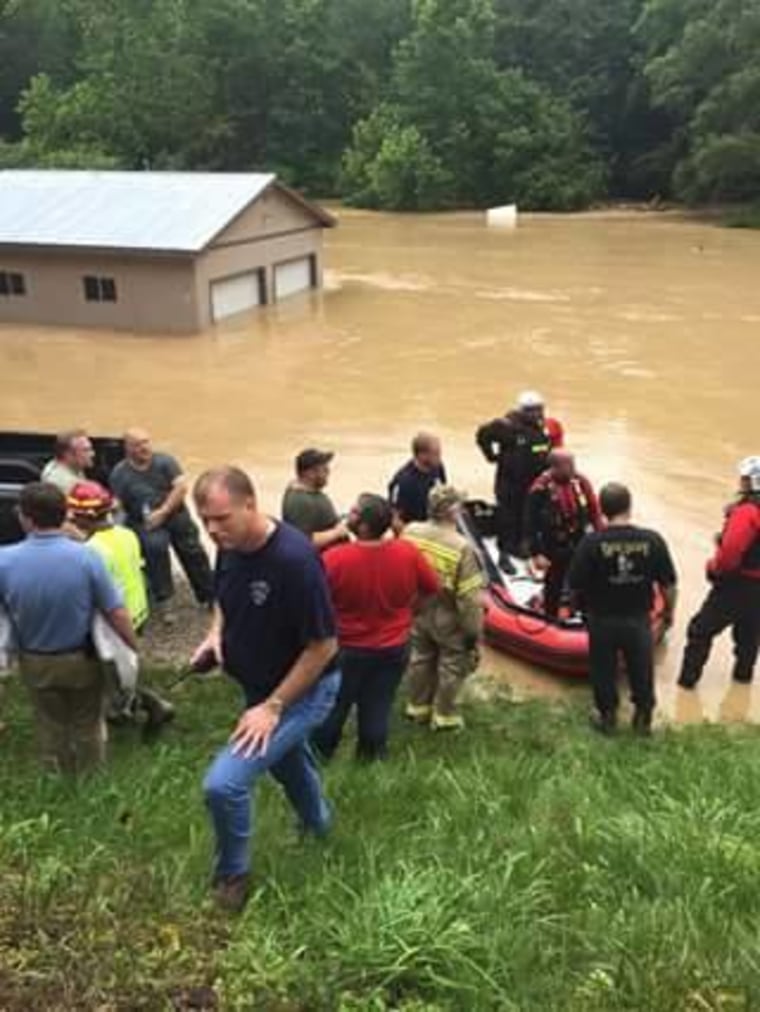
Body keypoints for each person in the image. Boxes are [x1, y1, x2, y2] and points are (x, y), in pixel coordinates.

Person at [191, 466, 341, 912]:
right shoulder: (229, 546)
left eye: (222, 518)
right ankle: (320, 826)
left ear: (251, 504)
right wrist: (216, 636)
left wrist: (273, 707)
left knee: (224, 784)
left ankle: (232, 874)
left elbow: (323, 645)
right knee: (287, 763)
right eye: (205, 522)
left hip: (302, 692)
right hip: (258, 686)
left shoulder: (295, 561)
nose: (213, 530)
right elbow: (224, 598)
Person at [0, 482, 139, 772]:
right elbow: (115, 611)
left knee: (50, 722)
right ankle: (91, 777)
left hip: (35, 660)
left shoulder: (5, 560)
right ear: (64, 515)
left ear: (25, 517)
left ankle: (56, 774)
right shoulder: (87, 557)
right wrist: (131, 646)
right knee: (88, 721)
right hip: (81, 659)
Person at [312, 494, 439, 761]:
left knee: (333, 707)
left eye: (354, 512)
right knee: (377, 707)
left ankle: (319, 758)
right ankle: (371, 761)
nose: (349, 514)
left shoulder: (333, 559)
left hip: (345, 649)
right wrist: (410, 613)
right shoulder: (408, 552)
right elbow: (431, 590)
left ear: (365, 527)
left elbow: (314, 604)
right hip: (393, 648)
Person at [568, 483, 677, 736]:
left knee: (603, 669)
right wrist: (669, 612)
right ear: (629, 506)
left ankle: (607, 719)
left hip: (602, 619)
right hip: (638, 619)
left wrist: (577, 611)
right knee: (642, 669)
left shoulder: (591, 543)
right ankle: (643, 720)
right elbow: (669, 584)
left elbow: (575, 585)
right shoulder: (652, 540)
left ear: (603, 510)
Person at [67, 481, 174, 729]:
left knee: (113, 669)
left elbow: (93, 594)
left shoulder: (91, 550)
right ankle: (132, 705)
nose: (72, 521)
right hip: (137, 612)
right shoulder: (127, 535)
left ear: (85, 517)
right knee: (125, 665)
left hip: (113, 619)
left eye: (75, 516)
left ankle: (140, 706)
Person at [403, 486, 485, 730]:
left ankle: (417, 707)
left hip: (417, 608)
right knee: (452, 664)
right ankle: (445, 716)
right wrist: (473, 634)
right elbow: (469, 598)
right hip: (447, 613)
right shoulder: (462, 547)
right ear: (452, 511)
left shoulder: (410, 532)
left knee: (420, 657)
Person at [110, 429, 213, 619]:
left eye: (146, 442)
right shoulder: (119, 473)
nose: (144, 448)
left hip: (175, 515)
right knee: (155, 551)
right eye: (138, 444)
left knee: (193, 552)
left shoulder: (165, 461)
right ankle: (165, 601)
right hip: (146, 522)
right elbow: (119, 504)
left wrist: (164, 511)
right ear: (127, 448)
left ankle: (209, 595)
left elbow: (181, 486)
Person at [678, 457, 760, 689]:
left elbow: (730, 554)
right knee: (749, 636)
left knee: (700, 630)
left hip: (737, 585)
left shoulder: (747, 512)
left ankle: (686, 685)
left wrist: (713, 567)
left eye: (744, 478)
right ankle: (742, 682)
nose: (741, 482)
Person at [476, 391, 564, 566]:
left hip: (535, 484)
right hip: (510, 485)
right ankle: (505, 554)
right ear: (522, 411)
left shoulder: (547, 428)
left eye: (540, 409)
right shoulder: (505, 426)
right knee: (508, 520)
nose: (537, 414)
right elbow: (482, 435)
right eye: (532, 410)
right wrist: (491, 456)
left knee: (534, 518)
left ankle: (530, 548)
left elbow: (555, 451)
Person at [526, 450, 602, 617]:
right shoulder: (540, 488)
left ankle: (580, 610)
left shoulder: (581, 483)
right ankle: (551, 613)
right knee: (554, 583)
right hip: (553, 544)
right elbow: (530, 524)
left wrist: (602, 537)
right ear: (554, 467)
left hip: (579, 541)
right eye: (568, 466)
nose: (573, 469)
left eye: (573, 464)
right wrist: (536, 553)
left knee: (583, 579)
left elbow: (594, 511)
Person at [281, 448, 349, 550]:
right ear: (309, 473)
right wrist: (337, 532)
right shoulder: (300, 502)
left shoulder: (309, 492)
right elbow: (304, 541)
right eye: (324, 468)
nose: (328, 471)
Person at [388, 432, 448, 527]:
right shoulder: (403, 481)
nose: (440, 457)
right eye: (436, 453)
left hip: (433, 525)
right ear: (422, 455)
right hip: (413, 530)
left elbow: (444, 496)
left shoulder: (438, 467)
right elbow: (395, 519)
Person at [41, 429, 95, 493]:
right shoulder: (60, 482)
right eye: (85, 450)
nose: (92, 454)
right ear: (68, 454)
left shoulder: (74, 467)